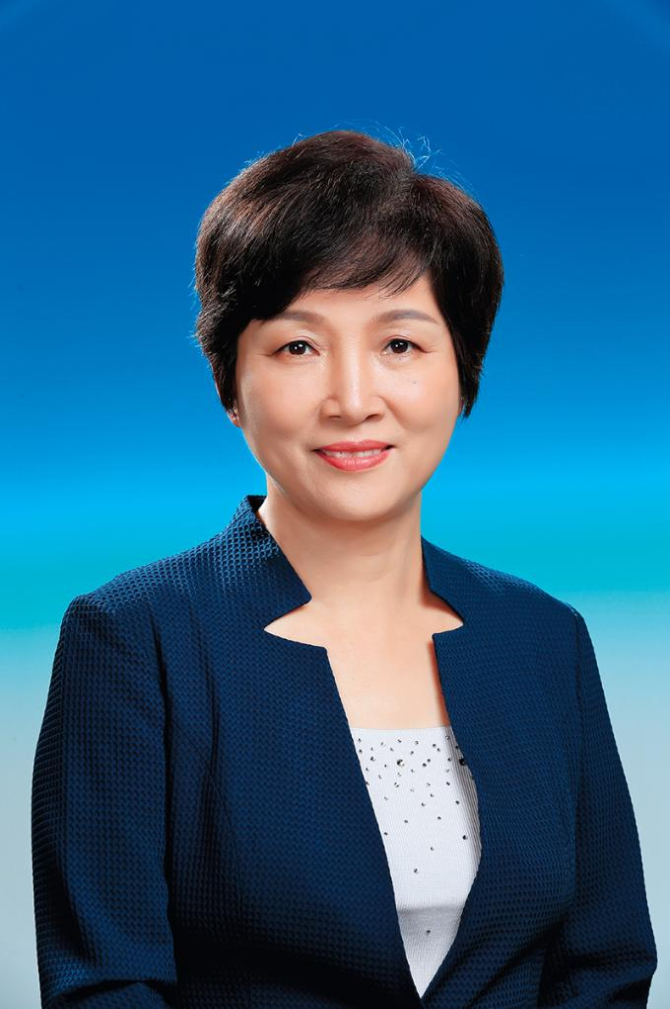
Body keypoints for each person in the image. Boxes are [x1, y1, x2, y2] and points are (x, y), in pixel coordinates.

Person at [31, 129, 657, 1008]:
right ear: (230, 383)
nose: (354, 399)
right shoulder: (135, 641)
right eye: (299, 346)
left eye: (400, 344)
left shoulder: (546, 639)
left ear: (462, 372)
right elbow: (105, 983)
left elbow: (606, 968)